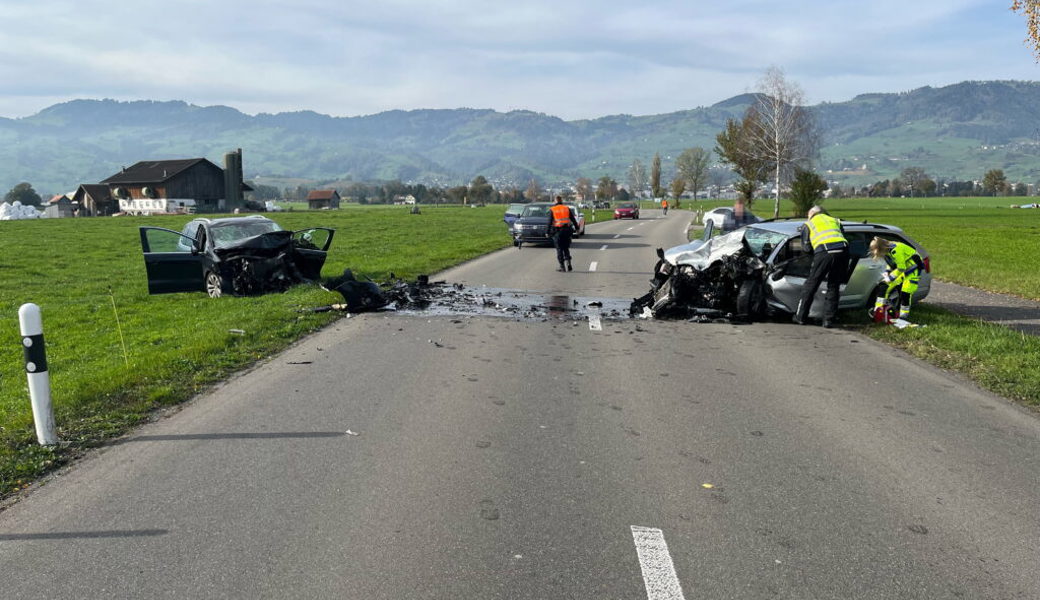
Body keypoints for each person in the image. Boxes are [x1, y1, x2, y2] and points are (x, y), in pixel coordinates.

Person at [794, 205, 849, 328]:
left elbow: (807, 248)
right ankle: (828, 320)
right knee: (834, 286)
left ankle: (800, 317)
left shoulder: (808, 224)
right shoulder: (835, 220)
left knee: (811, 284)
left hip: (824, 253)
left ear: (811, 214)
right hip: (843, 252)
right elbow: (842, 236)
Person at [868, 237, 925, 321]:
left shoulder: (895, 251)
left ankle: (903, 316)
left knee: (905, 293)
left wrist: (890, 278)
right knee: (883, 286)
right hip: (903, 269)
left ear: (881, 248)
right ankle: (879, 311)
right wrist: (887, 271)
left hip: (913, 269)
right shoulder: (887, 249)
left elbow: (901, 268)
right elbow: (891, 262)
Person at [549, 195, 579, 272]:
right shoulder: (566, 208)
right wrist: (577, 228)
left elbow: (549, 222)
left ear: (555, 201)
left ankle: (562, 266)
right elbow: (573, 219)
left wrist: (547, 232)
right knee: (566, 248)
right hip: (567, 231)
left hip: (557, 232)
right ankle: (568, 263)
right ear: (561, 201)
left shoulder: (553, 209)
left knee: (559, 249)